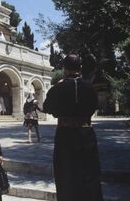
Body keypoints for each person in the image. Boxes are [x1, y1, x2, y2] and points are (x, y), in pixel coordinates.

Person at [43, 54, 103, 201]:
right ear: (80, 67)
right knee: (89, 172)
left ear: (64, 68)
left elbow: (47, 107)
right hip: (86, 133)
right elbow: (95, 105)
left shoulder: (58, 87)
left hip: (65, 135)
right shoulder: (90, 87)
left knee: (66, 173)